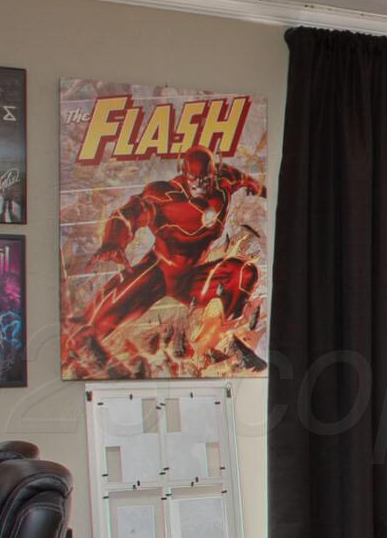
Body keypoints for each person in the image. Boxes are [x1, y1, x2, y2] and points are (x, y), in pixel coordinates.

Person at [62, 146, 265, 377]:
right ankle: (71, 358)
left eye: (205, 179)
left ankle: (222, 342)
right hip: (159, 271)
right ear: (184, 173)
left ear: (212, 174)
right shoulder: (163, 195)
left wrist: (259, 187)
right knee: (99, 318)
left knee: (245, 272)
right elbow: (128, 213)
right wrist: (113, 241)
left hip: (192, 276)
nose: (200, 186)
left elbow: (244, 179)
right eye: (194, 180)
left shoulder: (223, 183)